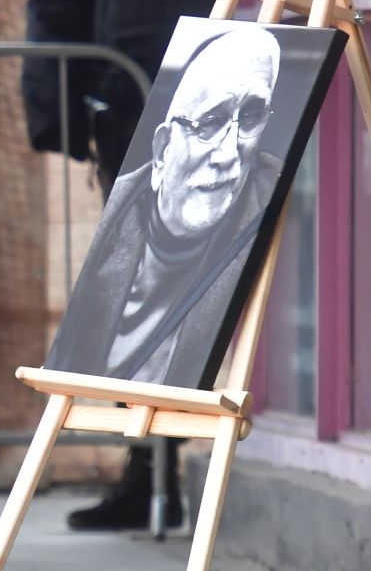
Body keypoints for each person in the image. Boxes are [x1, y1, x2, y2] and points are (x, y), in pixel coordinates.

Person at [23, 0, 236, 530]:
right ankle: (147, 474)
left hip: (249, 118)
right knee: (144, 301)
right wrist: (60, 111)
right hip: (139, 121)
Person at [47, 29, 282, 388]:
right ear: (161, 152)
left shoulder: (269, 189)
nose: (228, 153)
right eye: (209, 123)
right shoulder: (121, 213)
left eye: (251, 117)